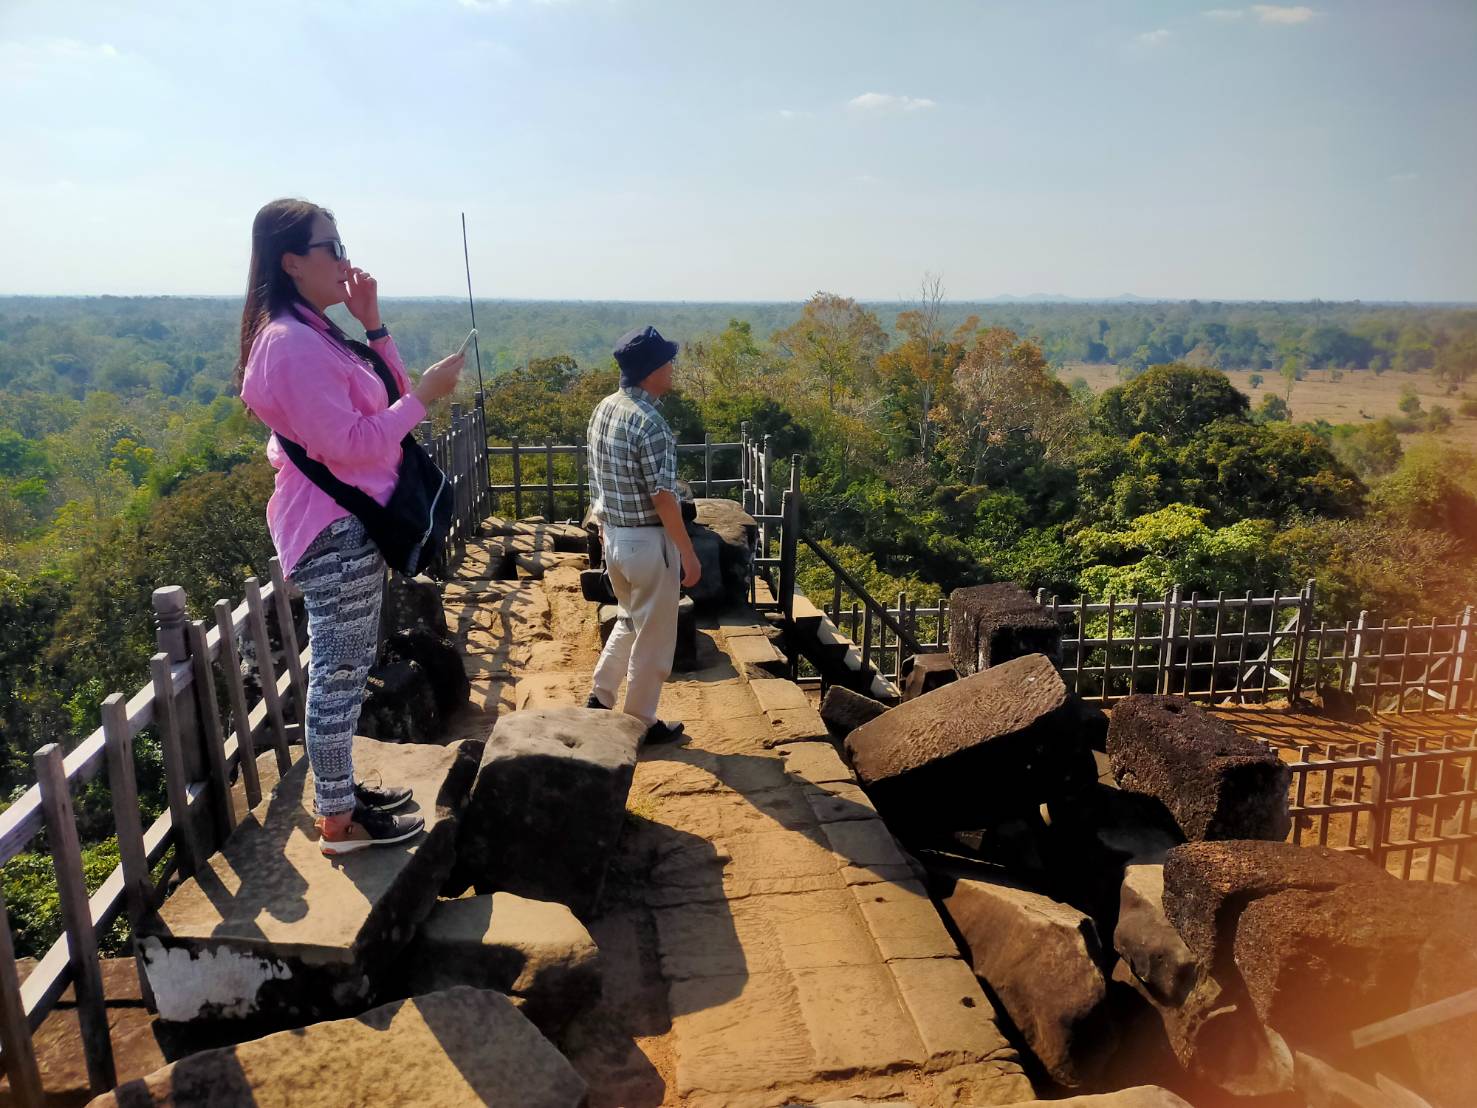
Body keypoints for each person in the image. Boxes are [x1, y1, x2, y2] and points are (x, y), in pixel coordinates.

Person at [236, 199, 465, 856]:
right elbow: (357, 442)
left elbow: (383, 394)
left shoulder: (315, 331)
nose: (344, 259)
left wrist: (374, 325)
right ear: (290, 261)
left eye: (342, 244)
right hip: (331, 527)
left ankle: (340, 793)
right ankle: (338, 818)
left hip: (347, 523)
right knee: (338, 672)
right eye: (329, 247)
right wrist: (422, 398)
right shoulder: (287, 344)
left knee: (347, 663)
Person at [585, 326, 701, 742]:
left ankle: (600, 696)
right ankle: (640, 721)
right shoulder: (650, 423)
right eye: (668, 362)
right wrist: (687, 552)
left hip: (614, 537)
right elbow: (664, 499)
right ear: (651, 370)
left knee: (631, 619)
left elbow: (598, 481)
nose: (672, 369)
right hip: (649, 542)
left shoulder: (605, 408)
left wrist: (601, 529)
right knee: (654, 640)